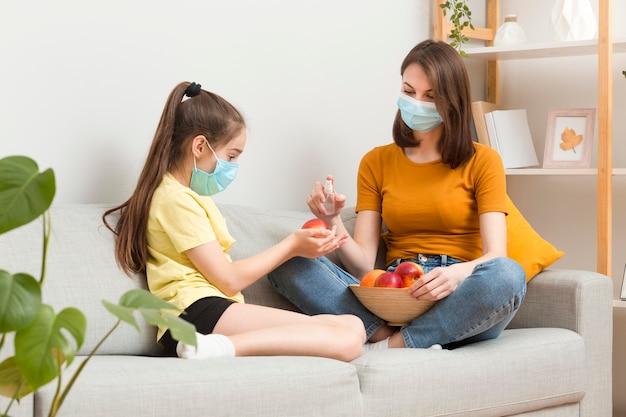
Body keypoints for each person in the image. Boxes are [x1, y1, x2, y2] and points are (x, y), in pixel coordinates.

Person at [268, 40, 527, 351]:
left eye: (431, 96)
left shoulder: (483, 160)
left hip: (458, 293)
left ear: (453, 101)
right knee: (287, 257)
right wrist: (332, 219)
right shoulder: (376, 162)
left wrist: (455, 275)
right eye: (409, 91)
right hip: (393, 294)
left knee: (508, 275)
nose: (417, 103)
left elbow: (496, 254)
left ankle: (398, 344)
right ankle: (390, 336)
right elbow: (364, 265)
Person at [102, 81, 365, 361]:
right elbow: (228, 280)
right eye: (230, 156)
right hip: (193, 315)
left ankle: (213, 347)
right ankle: (213, 348)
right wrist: (292, 246)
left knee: (354, 326)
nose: (233, 167)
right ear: (200, 146)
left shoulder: (191, 195)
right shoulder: (173, 199)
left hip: (207, 310)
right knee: (347, 341)